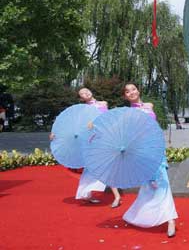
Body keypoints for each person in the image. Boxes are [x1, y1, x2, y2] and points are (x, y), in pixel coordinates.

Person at [121, 82, 178, 237]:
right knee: (151, 185)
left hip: (156, 147)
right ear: (125, 96)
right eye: (127, 91)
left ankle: (170, 220)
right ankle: (139, 215)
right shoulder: (128, 113)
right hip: (143, 150)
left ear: (138, 90)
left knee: (162, 181)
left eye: (133, 89)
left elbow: (155, 124)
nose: (131, 92)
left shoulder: (149, 105)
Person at [50, 88, 121, 206]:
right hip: (92, 140)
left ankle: (115, 196)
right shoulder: (81, 110)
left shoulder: (103, 103)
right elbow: (71, 125)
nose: (85, 93)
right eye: (82, 93)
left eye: (86, 90)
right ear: (81, 98)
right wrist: (55, 134)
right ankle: (89, 194)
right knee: (93, 168)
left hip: (105, 138)